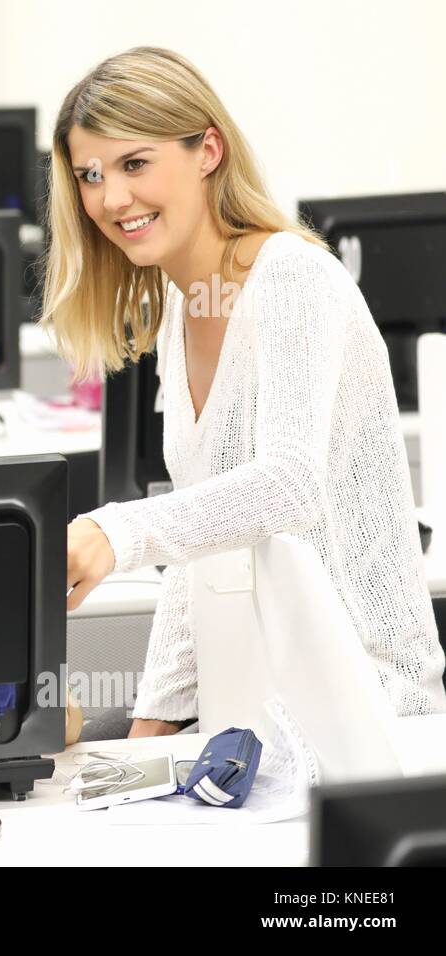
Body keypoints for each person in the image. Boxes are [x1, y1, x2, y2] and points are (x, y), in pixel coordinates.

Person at [41, 47, 446, 737]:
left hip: (368, 712)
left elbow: (288, 487)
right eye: (90, 175)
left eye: (134, 164)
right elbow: (200, 551)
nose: (111, 198)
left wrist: (120, 530)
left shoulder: (292, 280)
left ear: (208, 151)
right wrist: (152, 725)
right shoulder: (178, 309)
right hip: (252, 717)